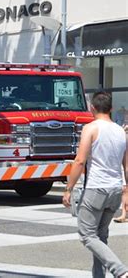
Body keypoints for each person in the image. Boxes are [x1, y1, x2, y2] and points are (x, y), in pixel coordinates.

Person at [63, 91, 128, 278]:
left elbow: (80, 161)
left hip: (96, 189)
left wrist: (68, 189)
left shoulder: (90, 128)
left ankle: (120, 270)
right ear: (111, 108)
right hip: (115, 189)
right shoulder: (120, 132)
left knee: (87, 235)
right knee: (101, 237)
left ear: (92, 108)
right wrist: (126, 192)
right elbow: (126, 166)